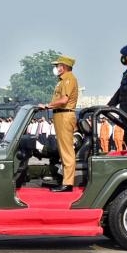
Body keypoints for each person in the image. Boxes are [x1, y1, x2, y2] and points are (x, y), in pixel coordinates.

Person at [39, 55, 78, 192]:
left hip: (65, 114)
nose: (56, 68)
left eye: (58, 65)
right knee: (63, 150)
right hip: (60, 115)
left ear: (65, 66)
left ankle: (68, 183)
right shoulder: (62, 80)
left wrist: (48, 105)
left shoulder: (69, 79)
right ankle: (64, 180)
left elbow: (63, 100)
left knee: (67, 150)